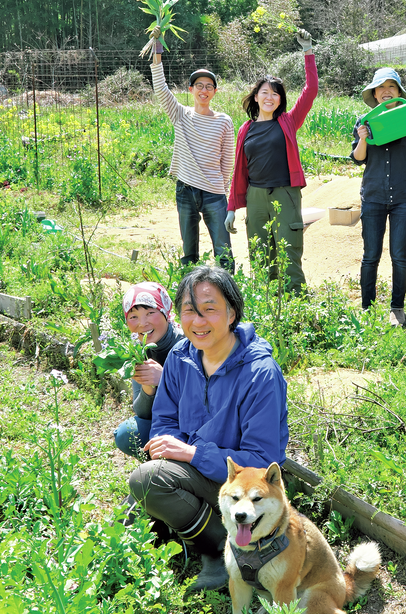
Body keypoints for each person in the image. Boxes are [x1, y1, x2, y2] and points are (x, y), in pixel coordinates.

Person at [127, 265, 289, 592]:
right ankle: (197, 534)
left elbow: (262, 460)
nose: (198, 322)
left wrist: (193, 454)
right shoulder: (181, 357)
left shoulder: (260, 373)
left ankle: (220, 547)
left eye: (209, 310)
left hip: (242, 485)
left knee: (146, 480)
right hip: (196, 469)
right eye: (190, 311)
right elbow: (164, 422)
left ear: (231, 314)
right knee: (144, 488)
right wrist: (173, 449)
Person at [225, 32, 317, 294]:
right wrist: (232, 207)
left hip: (285, 193)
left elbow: (310, 91)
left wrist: (308, 51)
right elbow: (239, 170)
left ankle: (297, 309)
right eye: (264, 92)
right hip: (255, 198)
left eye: (275, 94)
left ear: (280, 99)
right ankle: (268, 306)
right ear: (256, 97)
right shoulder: (246, 129)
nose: (270, 97)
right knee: (260, 257)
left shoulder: (288, 121)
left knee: (289, 255)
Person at [352, 67, 406, 327]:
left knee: (399, 253)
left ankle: (397, 308)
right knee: (371, 254)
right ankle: (367, 307)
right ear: (375, 94)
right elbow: (358, 158)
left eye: (392, 86)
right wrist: (363, 139)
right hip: (374, 195)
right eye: (381, 87)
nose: (386, 91)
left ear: (399, 92)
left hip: (404, 194)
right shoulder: (365, 121)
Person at [150, 46, 235, 270]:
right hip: (185, 190)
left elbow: (227, 160)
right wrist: (157, 49)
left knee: (223, 251)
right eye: (199, 86)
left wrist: (220, 186)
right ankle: (190, 295)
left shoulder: (224, 121)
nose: (203, 90)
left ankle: (230, 296)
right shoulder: (180, 114)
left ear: (215, 92)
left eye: (209, 86)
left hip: (214, 193)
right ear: (191, 89)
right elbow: (160, 88)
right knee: (189, 252)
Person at [113, 282, 181, 456]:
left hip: (194, 426)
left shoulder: (186, 344)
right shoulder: (137, 350)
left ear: (165, 313)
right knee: (127, 433)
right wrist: (148, 388)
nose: (142, 323)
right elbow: (143, 413)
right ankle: (160, 472)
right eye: (133, 316)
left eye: (150, 313)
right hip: (164, 424)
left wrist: (164, 379)